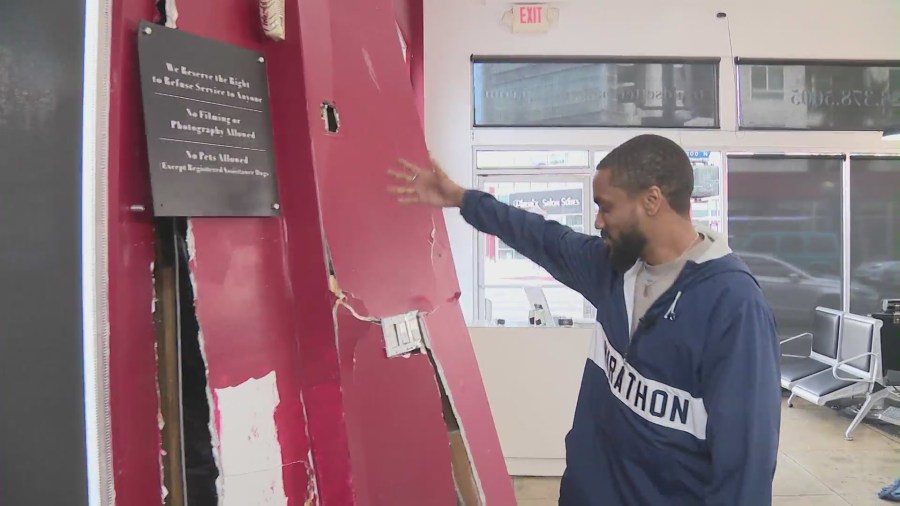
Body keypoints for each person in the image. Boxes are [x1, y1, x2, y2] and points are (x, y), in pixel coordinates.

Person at [388, 134, 781, 505]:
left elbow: (746, 466)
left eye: (605, 206)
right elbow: (540, 236)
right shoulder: (613, 270)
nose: (597, 221)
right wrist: (460, 198)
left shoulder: (733, 306)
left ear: (651, 200)